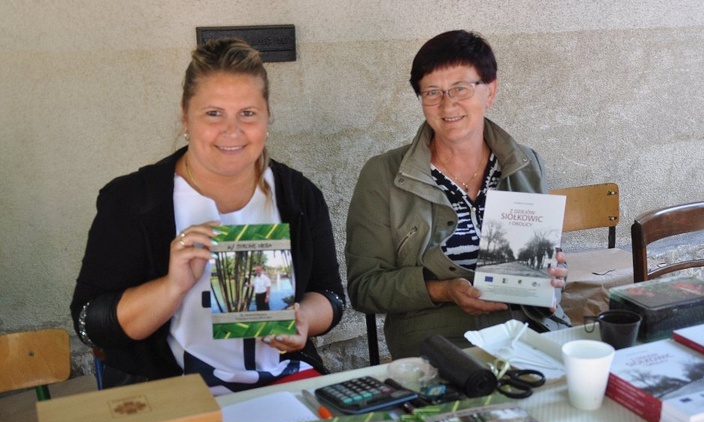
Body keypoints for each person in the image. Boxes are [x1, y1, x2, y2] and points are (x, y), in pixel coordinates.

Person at [71, 38, 345, 393]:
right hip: (175, 393)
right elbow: (88, 323)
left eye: (247, 113)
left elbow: (331, 295)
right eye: (213, 113)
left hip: (282, 380)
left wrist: (304, 319)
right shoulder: (132, 200)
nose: (232, 131)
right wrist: (171, 288)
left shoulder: (298, 196)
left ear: (267, 118)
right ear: (186, 116)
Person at [346, 30, 570, 359]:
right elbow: (364, 288)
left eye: (461, 88)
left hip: (528, 327)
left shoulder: (526, 164)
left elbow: (540, 269)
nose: (448, 104)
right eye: (432, 92)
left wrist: (553, 275)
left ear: (490, 91)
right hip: (437, 337)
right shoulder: (383, 175)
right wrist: (443, 291)